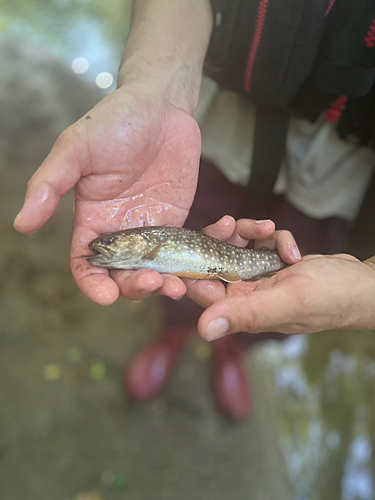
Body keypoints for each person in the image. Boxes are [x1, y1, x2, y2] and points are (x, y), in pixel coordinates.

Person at [14, 0, 375, 418]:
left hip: (344, 170)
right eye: (112, 244)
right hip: (217, 127)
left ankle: (235, 345)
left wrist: (366, 290)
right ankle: (173, 333)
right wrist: (153, 88)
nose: (107, 248)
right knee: (184, 272)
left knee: (289, 285)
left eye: (113, 244)